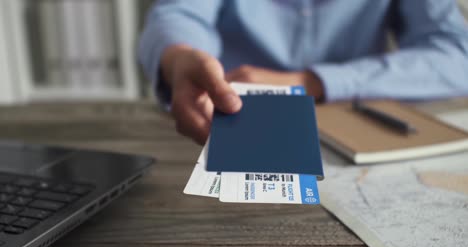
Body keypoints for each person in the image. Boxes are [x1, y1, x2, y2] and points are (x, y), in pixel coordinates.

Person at [138, 0, 468, 145]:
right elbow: (178, 13)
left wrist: (312, 82)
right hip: (224, 124)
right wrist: (180, 57)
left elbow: (458, 57)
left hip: (359, 124)